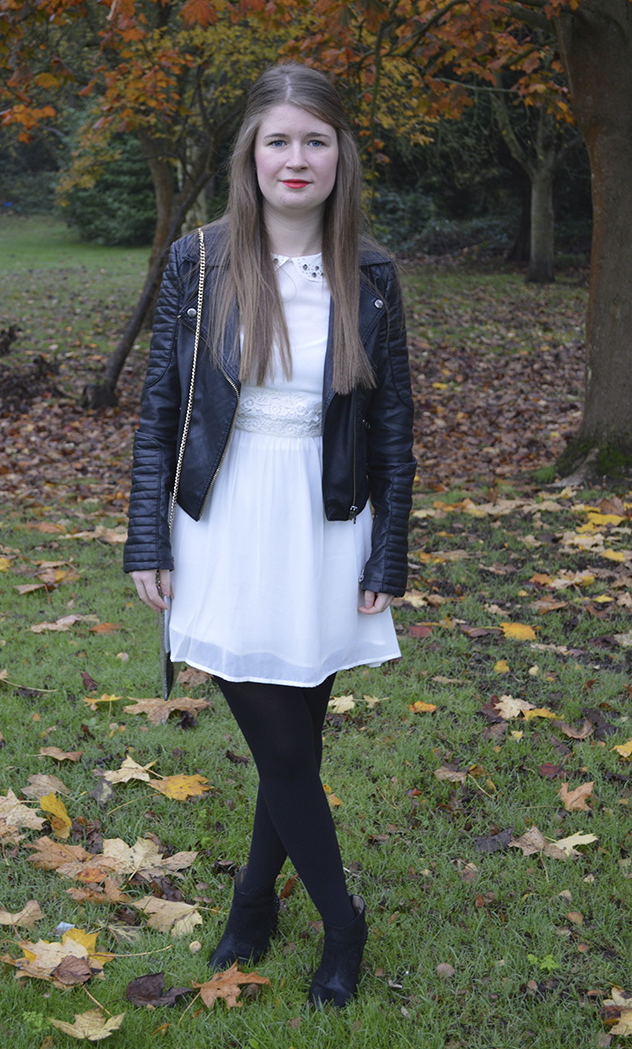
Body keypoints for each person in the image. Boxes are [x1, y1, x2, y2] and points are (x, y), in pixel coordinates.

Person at [124, 62, 415, 1009]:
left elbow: (393, 426)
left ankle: (254, 899)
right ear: (250, 152)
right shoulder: (201, 261)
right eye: (279, 139)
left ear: (342, 155)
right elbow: (160, 410)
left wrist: (390, 548)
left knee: (296, 743)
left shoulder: (370, 271)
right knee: (283, 748)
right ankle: (343, 920)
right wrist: (146, 537)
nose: (297, 157)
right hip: (224, 516)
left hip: (327, 519)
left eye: (315, 140)